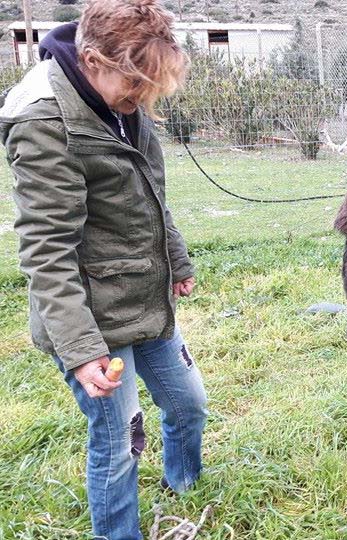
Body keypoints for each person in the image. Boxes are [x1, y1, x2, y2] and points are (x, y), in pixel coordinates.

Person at [0, 1, 207, 538]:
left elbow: (149, 195)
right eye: (135, 82)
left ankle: (185, 485)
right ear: (91, 58)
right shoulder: (45, 120)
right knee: (119, 440)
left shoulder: (122, 97)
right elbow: (46, 248)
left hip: (145, 295)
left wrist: (177, 260)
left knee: (188, 403)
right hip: (91, 315)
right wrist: (82, 348)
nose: (142, 96)